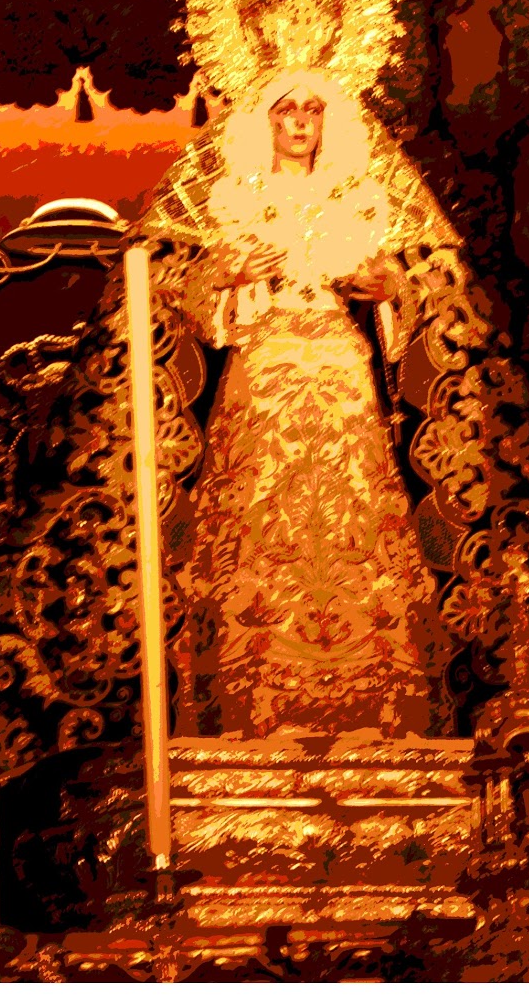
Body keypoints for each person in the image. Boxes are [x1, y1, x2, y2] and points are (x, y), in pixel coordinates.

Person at [173, 66, 442, 741]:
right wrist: (227, 275)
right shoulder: (235, 195)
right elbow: (188, 296)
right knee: (264, 511)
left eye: (312, 109)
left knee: (355, 513)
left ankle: (371, 696)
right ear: (262, 120)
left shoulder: (357, 194)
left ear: (330, 121)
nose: (298, 121)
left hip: (341, 366)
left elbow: (409, 289)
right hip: (263, 368)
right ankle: (255, 690)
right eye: (285, 109)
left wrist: (386, 287)